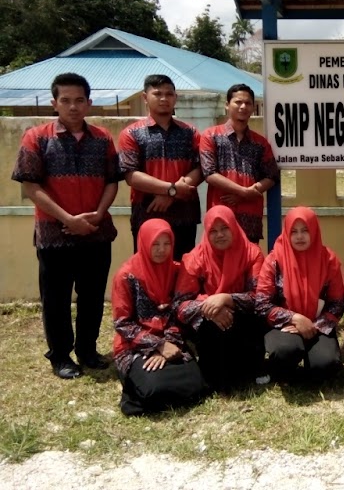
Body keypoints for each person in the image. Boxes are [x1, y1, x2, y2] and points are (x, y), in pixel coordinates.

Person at [12, 73, 119, 379]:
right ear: (54, 103)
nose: (73, 107)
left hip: (96, 233)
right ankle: (60, 355)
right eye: (66, 100)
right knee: (56, 299)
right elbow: (31, 187)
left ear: (89, 102)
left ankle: (87, 350)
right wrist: (68, 219)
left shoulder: (102, 139)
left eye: (79, 100)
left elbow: (112, 182)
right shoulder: (36, 138)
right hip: (54, 234)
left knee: (92, 296)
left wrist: (97, 215)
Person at [112, 219, 207, 415]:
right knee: (155, 389)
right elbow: (123, 323)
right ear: (144, 243)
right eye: (155, 244)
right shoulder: (126, 276)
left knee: (197, 386)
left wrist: (169, 343)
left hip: (173, 341)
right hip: (134, 345)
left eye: (167, 244)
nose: (161, 250)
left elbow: (180, 313)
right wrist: (158, 346)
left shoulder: (177, 271)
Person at [174, 205, 265, 391]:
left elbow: (259, 297)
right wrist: (209, 307)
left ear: (234, 226)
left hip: (243, 317)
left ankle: (249, 366)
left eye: (225, 228)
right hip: (209, 323)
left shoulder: (252, 253)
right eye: (213, 231)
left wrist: (226, 298)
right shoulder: (194, 258)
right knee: (220, 378)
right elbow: (180, 305)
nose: (220, 235)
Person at [118, 74, 202, 260]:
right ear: (145, 97)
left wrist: (173, 194)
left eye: (169, 94)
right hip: (147, 215)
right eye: (157, 93)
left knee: (184, 274)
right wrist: (171, 190)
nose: (164, 98)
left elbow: (201, 168)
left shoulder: (191, 132)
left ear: (175, 97)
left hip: (184, 216)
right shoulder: (131, 134)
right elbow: (131, 175)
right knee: (148, 275)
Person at [256, 207, 344, 383]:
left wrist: (313, 326)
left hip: (318, 324)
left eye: (305, 230)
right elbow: (262, 304)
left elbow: (337, 303)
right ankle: (285, 369)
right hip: (284, 325)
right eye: (294, 231)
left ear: (314, 231)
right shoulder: (275, 260)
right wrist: (295, 318)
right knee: (285, 352)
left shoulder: (328, 260)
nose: (299, 236)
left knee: (326, 365)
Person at [200, 84, 280, 244]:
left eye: (248, 103)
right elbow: (209, 173)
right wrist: (244, 192)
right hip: (220, 217)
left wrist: (252, 191)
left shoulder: (260, 143)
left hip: (250, 217)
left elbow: (272, 176)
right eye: (238, 102)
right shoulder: (211, 136)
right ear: (227, 104)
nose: (243, 107)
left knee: (250, 265)